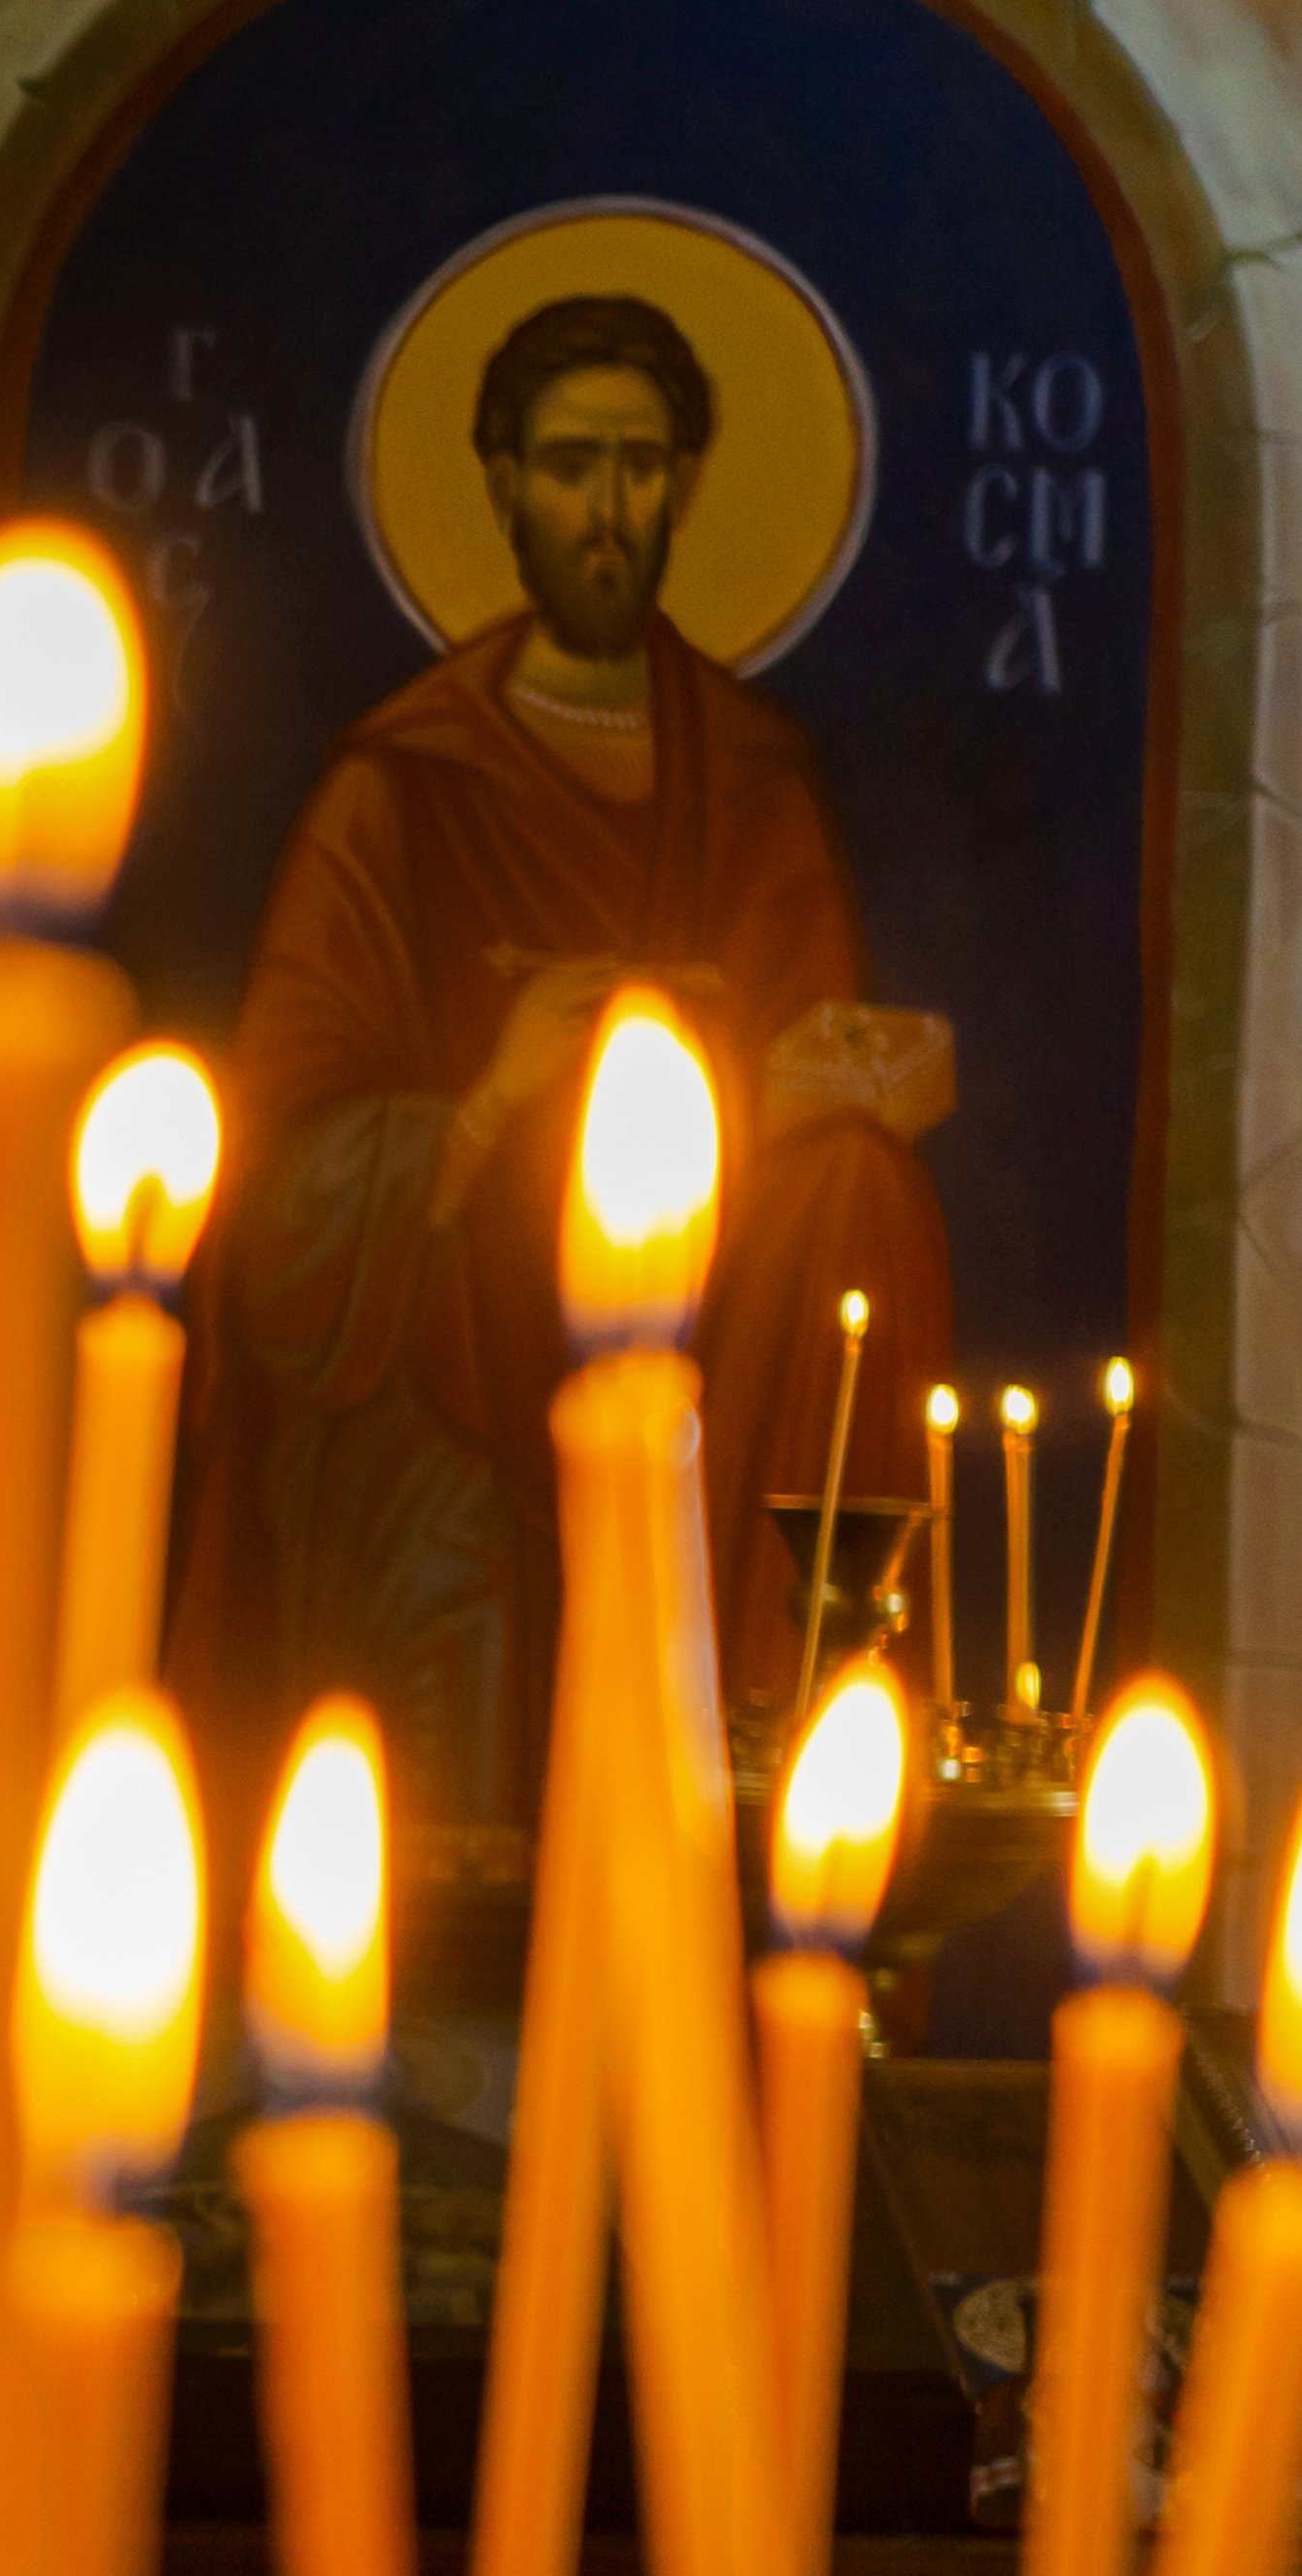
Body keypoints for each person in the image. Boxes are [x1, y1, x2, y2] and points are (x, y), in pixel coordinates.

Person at [176, 292, 957, 1826]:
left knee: (863, 1193)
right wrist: (484, 1104)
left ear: (684, 486)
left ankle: (779, 1752)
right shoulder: (397, 791)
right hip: (445, 1353)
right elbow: (271, 1204)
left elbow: (808, 1086)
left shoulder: (753, 779)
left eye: (642, 468)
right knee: (428, 1543)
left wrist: (826, 1094)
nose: (606, 512)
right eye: (566, 466)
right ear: (496, 482)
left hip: (716, 1357)